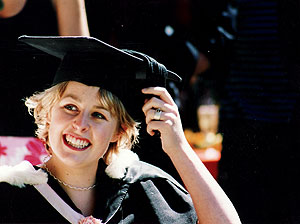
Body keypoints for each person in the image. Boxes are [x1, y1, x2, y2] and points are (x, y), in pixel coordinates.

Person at [0, 35, 241, 223]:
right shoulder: (12, 197)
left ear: (119, 131)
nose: (81, 124)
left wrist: (178, 148)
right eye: (70, 107)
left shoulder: (146, 192)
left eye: (98, 115)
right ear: (47, 113)